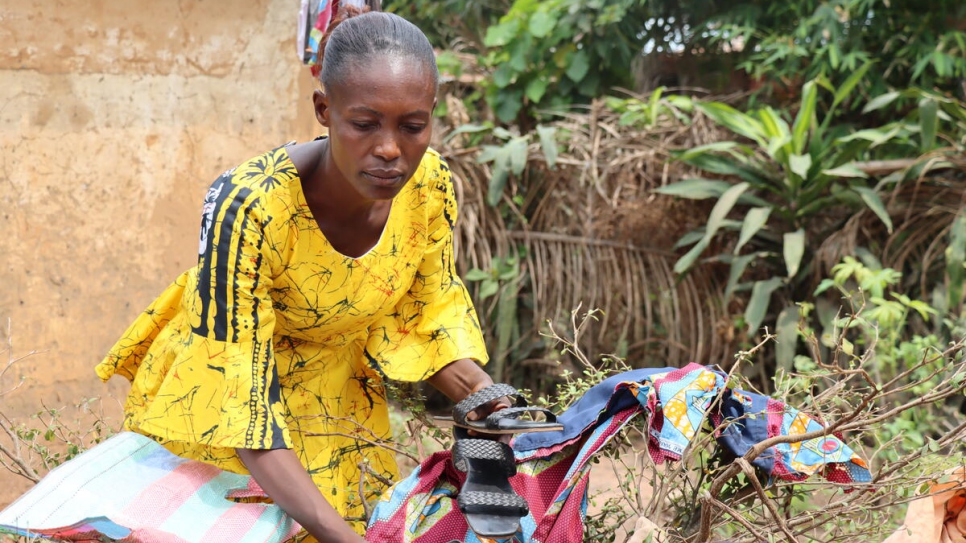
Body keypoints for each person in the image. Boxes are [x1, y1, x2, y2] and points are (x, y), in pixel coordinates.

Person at [95, 8, 503, 543]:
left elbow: (426, 315)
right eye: (364, 124)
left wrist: (486, 399)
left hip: (339, 406)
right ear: (323, 109)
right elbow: (241, 408)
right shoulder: (249, 205)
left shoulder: (428, 186)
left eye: (413, 126)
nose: (389, 149)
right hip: (225, 404)